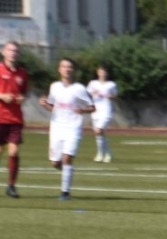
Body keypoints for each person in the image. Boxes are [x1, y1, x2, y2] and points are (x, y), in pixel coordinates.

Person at [39, 57, 95, 201]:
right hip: (57, 128)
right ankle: (68, 170)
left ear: (74, 70)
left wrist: (83, 110)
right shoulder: (54, 87)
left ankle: (65, 193)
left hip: (73, 128)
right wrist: (45, 105)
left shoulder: (79, 89)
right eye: (64, 66)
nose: (67, 69)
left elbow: (92, 107)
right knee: (55, 163)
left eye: (70, 67)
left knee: (67, 158)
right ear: (59, 69)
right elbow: (53, 107)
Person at [0, 41, 29, 199]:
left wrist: (22, 98)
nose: (13, 53)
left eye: (16, 51)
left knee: (14, 151)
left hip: (15, 119)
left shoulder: (22, 73)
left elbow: (24, 92)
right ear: (3, 52)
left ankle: (11, 186)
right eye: (10, 50)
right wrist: (2, 96)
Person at [87, 65, 118, 163]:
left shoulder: (111, 84)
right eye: (100, 72)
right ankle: (108, 153)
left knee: (99, 130)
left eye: (104, 72)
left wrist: (109, 96)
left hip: (106, 111)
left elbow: (115, 95)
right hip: (96, 111)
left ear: (107, 73)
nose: (102, 74)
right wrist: (93, 93)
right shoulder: (93, 83)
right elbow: (87, 94)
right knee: (99, 134)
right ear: (97, 72)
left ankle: (100, 154)